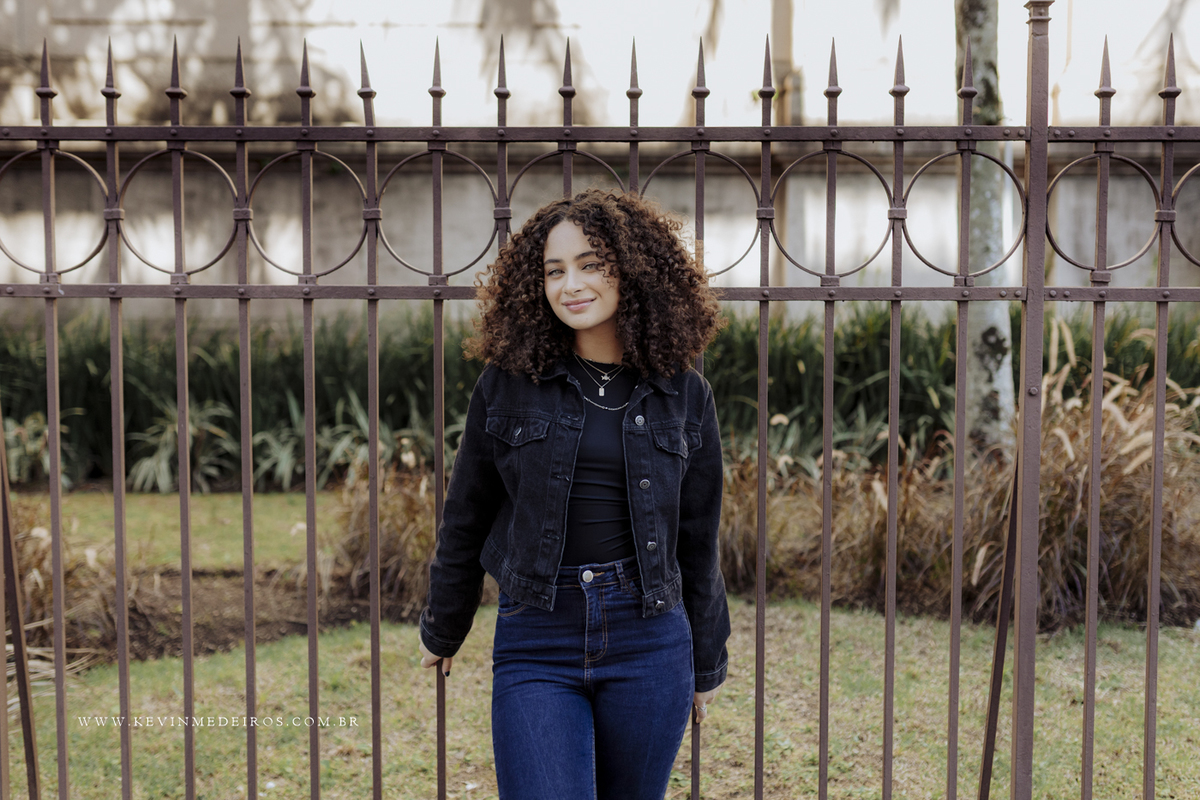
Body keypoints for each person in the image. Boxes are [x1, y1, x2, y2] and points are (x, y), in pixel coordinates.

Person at [417, 188, 730, 799]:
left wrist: (706, 661)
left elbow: (697, 536)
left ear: (634, 271)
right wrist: (444, 625)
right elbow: (466, 514)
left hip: (650, 634)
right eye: (554, 270)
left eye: (590, 264)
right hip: (538, 632)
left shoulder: (684, 394)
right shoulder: (507, 385)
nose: (571, 284)